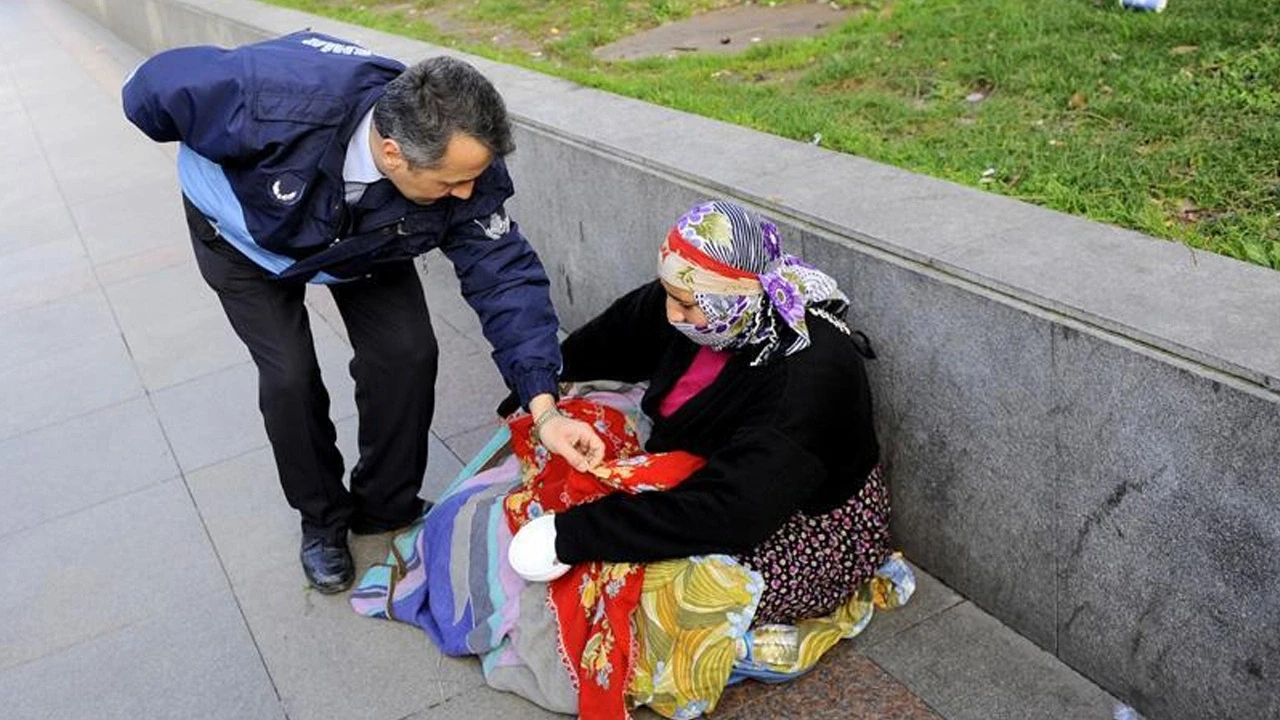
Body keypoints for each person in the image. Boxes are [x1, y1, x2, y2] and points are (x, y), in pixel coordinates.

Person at [352, 200, 902, 719]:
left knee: (657, 595)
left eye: (684, 303)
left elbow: (730, 513)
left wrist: (574, 534)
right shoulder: (705, 301)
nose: (670, 311)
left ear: (733, 300)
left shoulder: (805, 381)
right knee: (561, 438)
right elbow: (619, 332)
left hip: (801, 525)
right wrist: (541, 397)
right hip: (724, 469)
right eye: (670, 294)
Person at [121, 32, 603, 594]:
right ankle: (322, 522)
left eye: (474, 176)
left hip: (365, 244)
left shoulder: (463, 169)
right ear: (394, 153)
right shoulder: (265, 101)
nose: (469, 192)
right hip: (245, 242)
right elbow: (147, 89)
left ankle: (385, 504)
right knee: (289, 375)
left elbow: (506, 281)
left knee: (407, 352)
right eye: (452, 182)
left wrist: (545, 410)